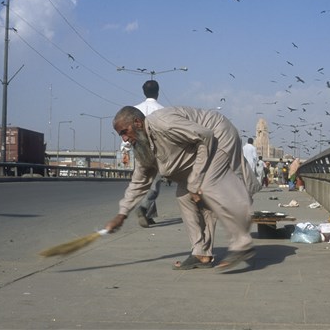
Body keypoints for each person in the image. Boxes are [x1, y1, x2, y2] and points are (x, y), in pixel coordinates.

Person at [105, 106, 261, 271]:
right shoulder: (143, 146)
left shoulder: (163, 123)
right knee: (183, 195)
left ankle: (242, 243)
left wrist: (195, 182)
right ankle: (201, 253)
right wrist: (122, 214)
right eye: (120, 135)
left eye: (124, 131)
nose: (124, 139)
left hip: (218, 134)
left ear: (137, 123)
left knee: (208, 185)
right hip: (200, 149)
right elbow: (139, 181)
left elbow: (205, 135)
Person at [133, 80, 165, 228]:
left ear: (143, 92)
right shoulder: (163, 111)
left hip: (139, 150)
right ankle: (143, 208)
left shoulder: (134, 110)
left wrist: (125, 147)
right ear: (158, 93)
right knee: (155, 184)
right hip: (156, 151)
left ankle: (149, 215)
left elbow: (129, 132)